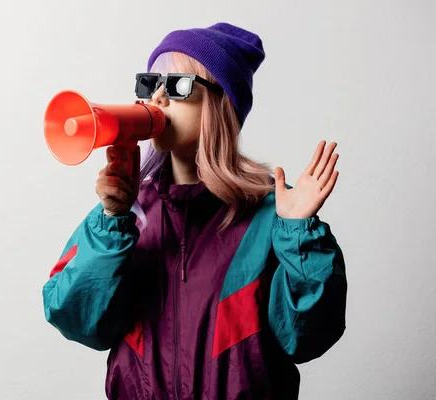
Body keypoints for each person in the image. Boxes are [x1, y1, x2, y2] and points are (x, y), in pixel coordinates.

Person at [42, 22, 347, 400]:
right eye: (150, 83)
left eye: (179, 85)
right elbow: (77, 320)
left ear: (222, 105)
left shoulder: (274, 218)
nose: (158, 98)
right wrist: (111, 221)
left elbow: (306, 338)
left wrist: (298, 234)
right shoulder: (127, 215)